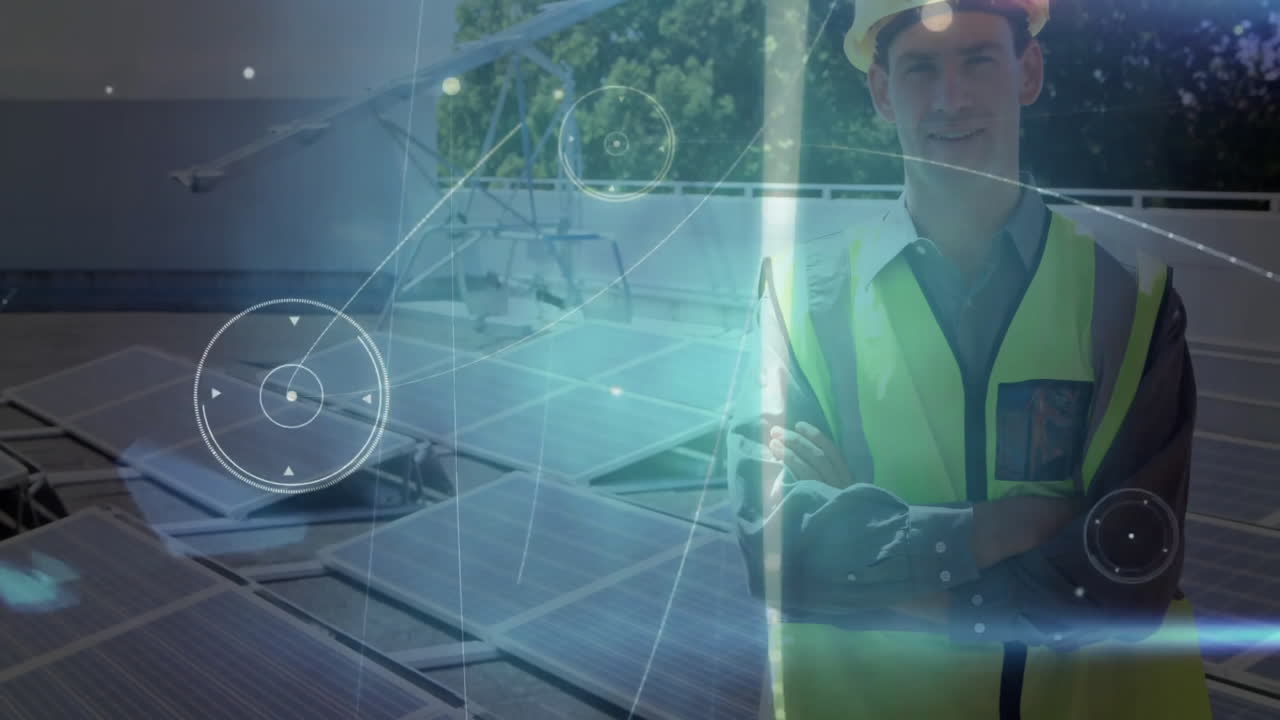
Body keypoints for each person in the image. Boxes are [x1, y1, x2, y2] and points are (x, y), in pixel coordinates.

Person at [725, 1, 1214, 718]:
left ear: (1029, 71)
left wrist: (883, 565)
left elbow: (1124, 574)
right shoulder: (798, 299)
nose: (950, 98)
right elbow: (779, 552)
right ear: (883, 92)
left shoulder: (1132, 304)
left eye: (978, 59)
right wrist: (994, 530)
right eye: (920, 68)